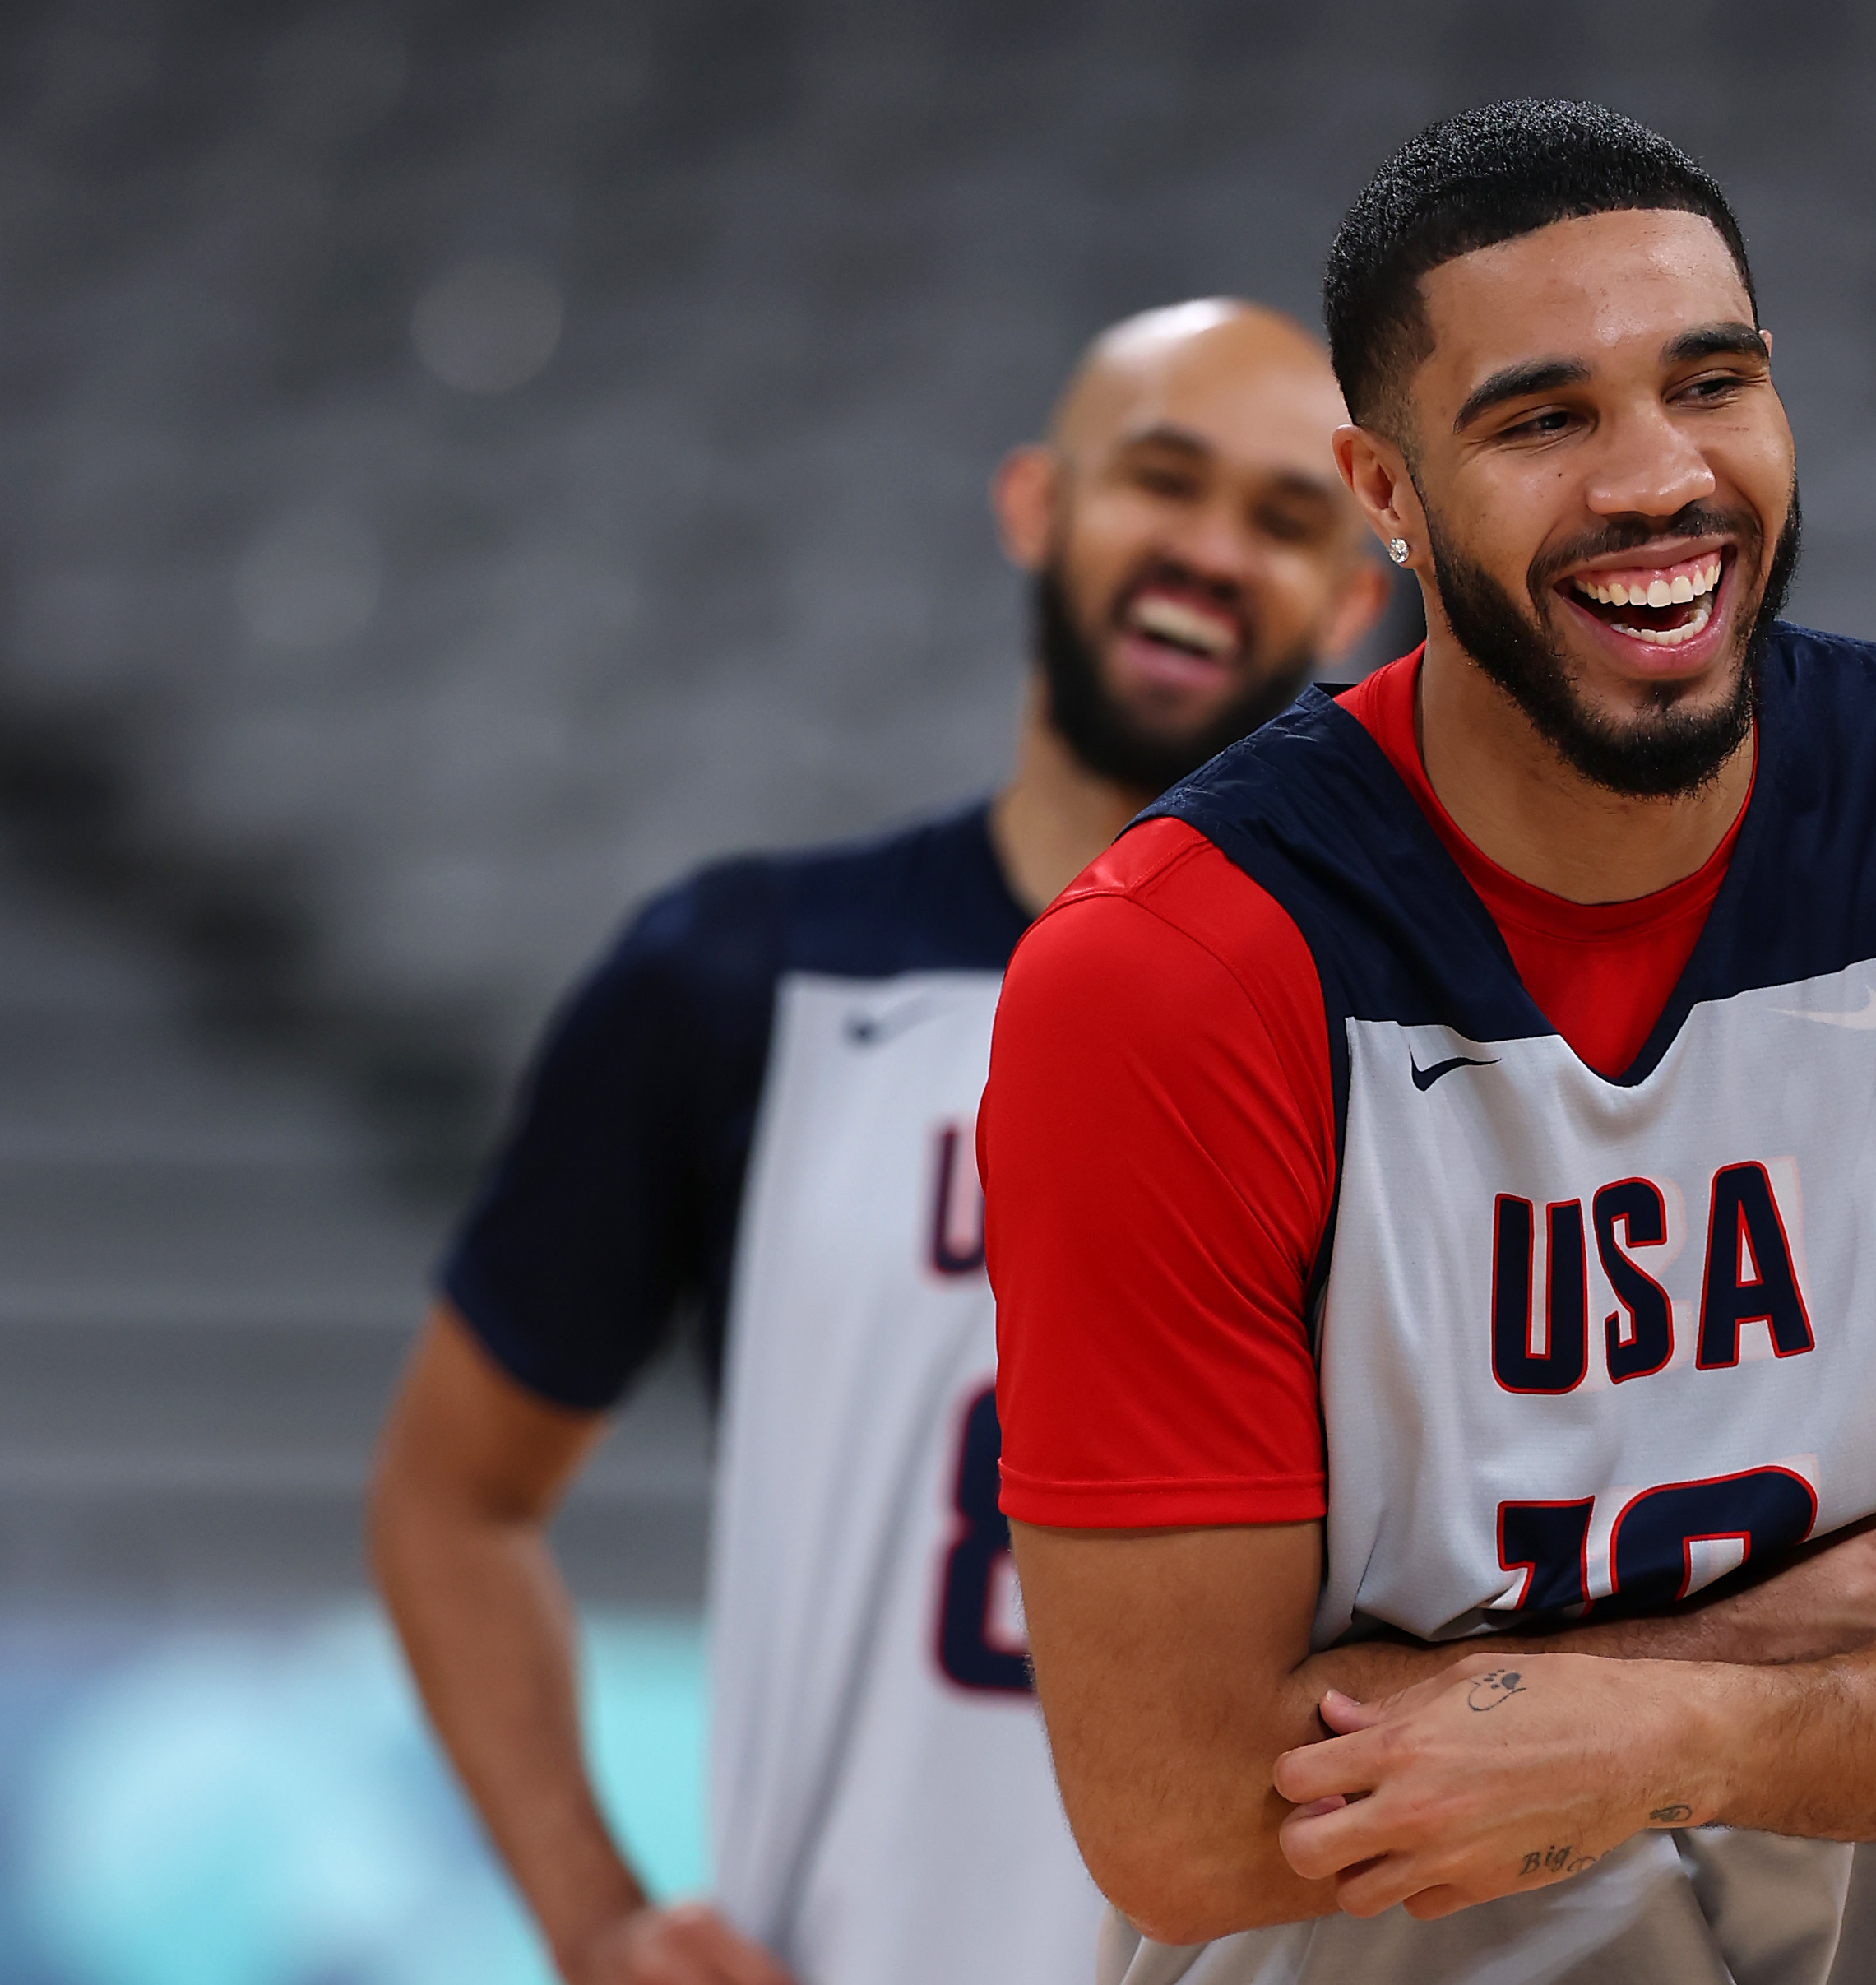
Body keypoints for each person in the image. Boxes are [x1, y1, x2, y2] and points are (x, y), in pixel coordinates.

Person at [981, 100, 1876, 1985]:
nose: (1660, 479)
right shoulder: (1173, 973)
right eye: (1545, 416)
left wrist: (1672, 1731)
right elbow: (1178, 1815)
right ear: (1387, 496)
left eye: (1712, 382)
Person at [365, 299, 1390, 1985]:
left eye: (1286, 519)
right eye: (1161, 481)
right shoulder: (741, 976)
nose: (1211, 551)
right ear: (1034, 505)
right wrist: (596, 1919)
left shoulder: (1427, 1028)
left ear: (1358, 599)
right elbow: (449, 1497)